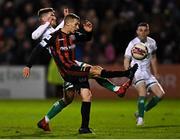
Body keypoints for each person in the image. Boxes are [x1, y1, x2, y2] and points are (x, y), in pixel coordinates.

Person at [23, 13, 138, 133]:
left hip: (75, 68)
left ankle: (82, 127)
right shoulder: (53, 37)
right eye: (76, 24)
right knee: (95, 71)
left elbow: (86, 38)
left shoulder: (72, 36)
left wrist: (89, 32)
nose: (78, 27)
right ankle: (125, 76)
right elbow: (38, 49)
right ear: (67, 23)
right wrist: (28, 66)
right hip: (68, 71)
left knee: (82, 96)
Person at [124, 22, 165, 126]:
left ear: (148, 31)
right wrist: (129, 73)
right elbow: (126, 59)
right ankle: (140, 119)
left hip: (148, 73)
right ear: (137, 32)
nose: (142, 32)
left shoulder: (152, 42)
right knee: (142, 94)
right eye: (140, 30)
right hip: (137, 72)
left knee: (161, 95)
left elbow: (154, 58)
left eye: (145, 30)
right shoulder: (132, 43)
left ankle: (140, 112)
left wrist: (156, 73)